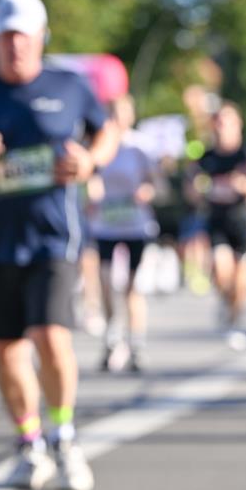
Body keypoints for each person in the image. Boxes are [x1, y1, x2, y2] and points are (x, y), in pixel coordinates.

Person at [0, 0, 118, 490]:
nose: (15, 47)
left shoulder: (71, 85)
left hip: (55, 238)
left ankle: (64, 435)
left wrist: (90, 161)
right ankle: (29, 444)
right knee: (8, 348)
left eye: (24, 37)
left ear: (42, 38)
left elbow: (108, 133)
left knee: (52, 336)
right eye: (6, 37)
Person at [87, 95, 158, 372]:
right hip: (106, 222)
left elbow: (155, 184)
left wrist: (145, 192)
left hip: (136, 224)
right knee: (105, 282)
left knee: (132, 287)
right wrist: (93, 196)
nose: (117, 119)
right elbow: (91, 176)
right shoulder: (100, 144)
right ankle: (111, 338)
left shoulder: (140, 146)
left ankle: (136, 344)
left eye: (122, 114)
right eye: (112, 114)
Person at [189, 102, 246, 350]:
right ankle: (224, 302)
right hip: (217, 222)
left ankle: (234, 321)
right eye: (219, 122)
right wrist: (199, 189)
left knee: (241, 282)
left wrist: (245, 186)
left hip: (243, 223)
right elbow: (190, 190)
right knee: (222, 272)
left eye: (228, 122)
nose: (223, 128)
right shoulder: (206, 157)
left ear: (238, 125)